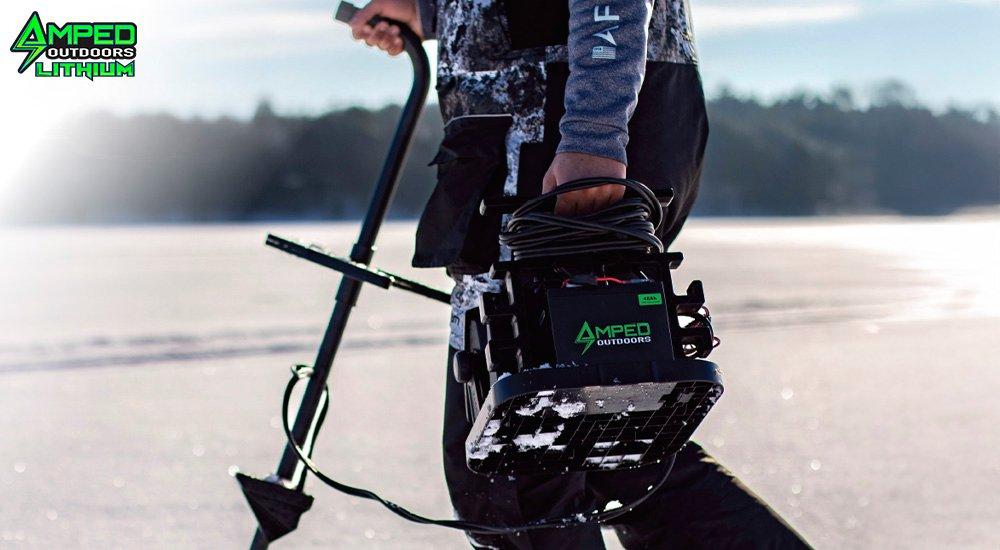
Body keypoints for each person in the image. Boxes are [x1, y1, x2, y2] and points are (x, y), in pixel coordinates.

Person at [348, 1, 811, 547]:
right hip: (543, 142)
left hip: (551, 153)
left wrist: (593, 135)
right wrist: (431, 12)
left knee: (517, 464)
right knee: (615, 446)